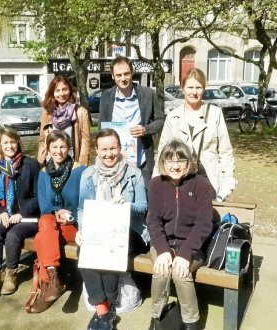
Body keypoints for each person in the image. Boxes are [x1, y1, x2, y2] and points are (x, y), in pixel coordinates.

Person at [76, 128, 149, 330]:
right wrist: (81, 230)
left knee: (111, 247)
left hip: (130, 230)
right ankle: (103, 310)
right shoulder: (88, 175)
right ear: (97, 151)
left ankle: (105, 309)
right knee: (85, 250)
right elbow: (82, 207)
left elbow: (143, 207)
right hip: (98, 227)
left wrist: (126, 204)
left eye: (113, 148)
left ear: (120, 148)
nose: (109, 154)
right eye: (104, 149)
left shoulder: (134, 173)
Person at [147, 139, 215, 330]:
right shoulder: (155, 184)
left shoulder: (201, 185)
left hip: (193, 246)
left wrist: (185, 255)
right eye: (170, 160)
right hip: (163, 243)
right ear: (163, 162)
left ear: (189, 162)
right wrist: (162, 250)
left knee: (180, 273)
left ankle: (191, 323)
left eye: (180, 160)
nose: (175, 166)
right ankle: (157, 318)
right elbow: (153, 221)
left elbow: (203, 225)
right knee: (161, 271)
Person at [155, 68, 236, 201]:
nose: (194, 92)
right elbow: (162, 153)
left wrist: (228, 183)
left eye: (198, 87)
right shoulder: (173, 117)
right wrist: (157, 183)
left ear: (204, 89)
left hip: (208, 181)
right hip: (178, 180)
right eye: (190, 87)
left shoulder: (215, 114)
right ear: (183, 88)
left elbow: (225, 151)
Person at [33, 130, 86, 308]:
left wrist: (70, 216)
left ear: (69, 148)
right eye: (54, 146)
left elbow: (87, 204)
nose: (58, 151)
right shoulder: (43, 173)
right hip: (52, 224)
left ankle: (48, 283)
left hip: (74, 226)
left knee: (42, 237)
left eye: (63, 146)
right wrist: (57, 212)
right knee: (46, 223)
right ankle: (53, 276)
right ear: (48, 149)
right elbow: (44, 205)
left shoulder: (80, 171)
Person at [0, 127, 40, 299]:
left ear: (18, 143)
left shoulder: (30, 165)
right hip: (6, 215)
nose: (9, 146)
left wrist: (22, 213)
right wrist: (0, 212)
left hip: (28, 217)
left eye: (12, 142)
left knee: (13, 236)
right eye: (5, 143)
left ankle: (11, 274)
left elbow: (39, 196)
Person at [99, 56, 164, 188]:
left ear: (132, 73)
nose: (123, 78)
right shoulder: (106, 96)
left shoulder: (148, 94)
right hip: (114, 159)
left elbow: (160, 120)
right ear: (112, 76)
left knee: (144, 197)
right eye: (118, 75)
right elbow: (102, 127)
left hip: (142, 157)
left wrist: (146, 129)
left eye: (126, 74)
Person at [38, 75, 90, 166]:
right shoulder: (47, 114)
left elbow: (85, 141)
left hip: (73, 163)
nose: (61, 94)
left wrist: (81, 165)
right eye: (57, 90)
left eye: (65, 89)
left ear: (70, 91)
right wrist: (41, 159)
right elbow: (42, 140)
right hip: (51, 163)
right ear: (52, 93)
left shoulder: (80, 112)